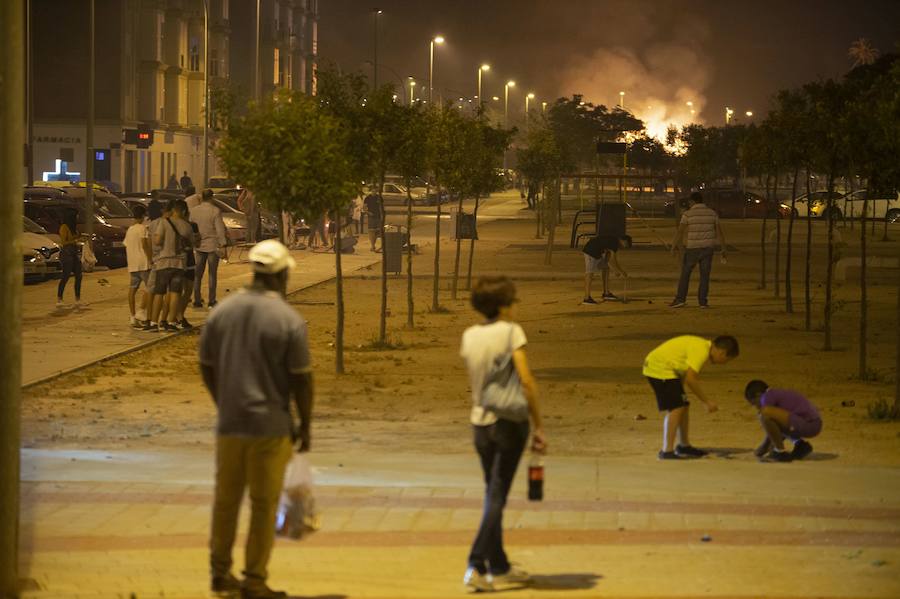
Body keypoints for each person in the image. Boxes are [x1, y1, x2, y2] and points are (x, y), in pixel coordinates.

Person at [200, 239, 312, 599]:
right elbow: (301, 379)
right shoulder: (288, 319)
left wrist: (223, 400)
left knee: (226, 501)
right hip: (270, 426)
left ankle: (220, 574)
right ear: (281, 275)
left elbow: (206, 364)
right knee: (263, 506)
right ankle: (254, 579)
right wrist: (304, 423)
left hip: (230, 424)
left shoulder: (222, 312)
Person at [459, 276, 547, 592]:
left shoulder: (469, 336)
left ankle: (499, 565)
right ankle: (475, 565)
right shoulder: (512, 332)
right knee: (497, 495)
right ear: (503, 305)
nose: (515, 306)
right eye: (513, 300)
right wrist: (538, 425)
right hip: (509, 423)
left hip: (479, 424)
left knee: (491, 493)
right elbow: (526, 380)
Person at [642, 335, 739, 460]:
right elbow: (690, 379)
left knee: (683, 405)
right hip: (659, 369)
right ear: (722, 352)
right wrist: (706, 401)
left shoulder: (701, 346)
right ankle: (666, 451)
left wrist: (680, 393)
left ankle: (684, 445)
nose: (724, 363)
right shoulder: (702, 351)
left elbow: (683, 371)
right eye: (727, 359)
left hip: (664, 368)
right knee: (676, 408)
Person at [670, 191, 726, 308]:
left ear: (692, 201)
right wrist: (723, 248)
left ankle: (680, 299)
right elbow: (719, 232)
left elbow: (680, 231)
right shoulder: (712, 213)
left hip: (692, 248)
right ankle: (703, 302)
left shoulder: (687, 214)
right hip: (708, 248)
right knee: (704, 276)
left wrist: (673, 245)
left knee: (685, 274)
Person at [744, 380, 822, 463]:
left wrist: (764, 448)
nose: (756, 407)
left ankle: (780, 452)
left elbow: (769, 425)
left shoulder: (766, 397)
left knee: (764, 413)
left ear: (758, 395)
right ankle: (800, 445)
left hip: (809, 425)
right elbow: (776, 429)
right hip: (811, 424)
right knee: (773, 420)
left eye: (754, 403)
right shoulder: (775, 394)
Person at [151, 199, 194, 331]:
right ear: (183, 211)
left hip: (164, 262)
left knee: (159, 293)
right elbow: (191, 245)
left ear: (173, 210)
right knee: (175, 292)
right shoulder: (187, 226)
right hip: (179, 264)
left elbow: (157, 241)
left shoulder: (164, 222)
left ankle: (154, 323)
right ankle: (171, 322)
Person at [191, 189, 227, 308]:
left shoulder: (194, 211)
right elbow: (220, 230)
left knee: (197, 274)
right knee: (212, 273)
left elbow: (191, 227)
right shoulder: (215, 211)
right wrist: (223, 244)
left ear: (202, 197)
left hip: (199, 246)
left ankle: (197, 299)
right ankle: (211, 300)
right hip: (212, 245)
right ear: (212, 198)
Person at [581, 234, 631, 304]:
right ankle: (587, 297)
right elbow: (613, 259)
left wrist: (617, 270)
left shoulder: (613, 242)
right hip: (591, 251)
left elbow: (608, 258)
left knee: (606, 268)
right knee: (589, 273)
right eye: (626, 244)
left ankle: (606, 292)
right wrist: (618, 271)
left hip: (597, 252)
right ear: (623, 241)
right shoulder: (615, 243)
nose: (624, 247)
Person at [124, 204, 152, 328]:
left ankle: (132, 316)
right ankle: (141, 311)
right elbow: (145, 244)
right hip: (143, 263)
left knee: (132, 290)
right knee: (150, 287)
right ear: (142, 216)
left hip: (132, 263)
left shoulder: (129, 230)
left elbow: (126, 244)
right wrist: (151, 258)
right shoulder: (142, 228)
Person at [56, 209, 82, 308]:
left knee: (79, 276)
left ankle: (78, 299)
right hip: (67, 254)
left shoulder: (73, 227)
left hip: (74, 253)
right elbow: (64, 242)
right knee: (65, 276)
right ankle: (59, 299)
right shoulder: (64, 227)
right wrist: (75, 240)